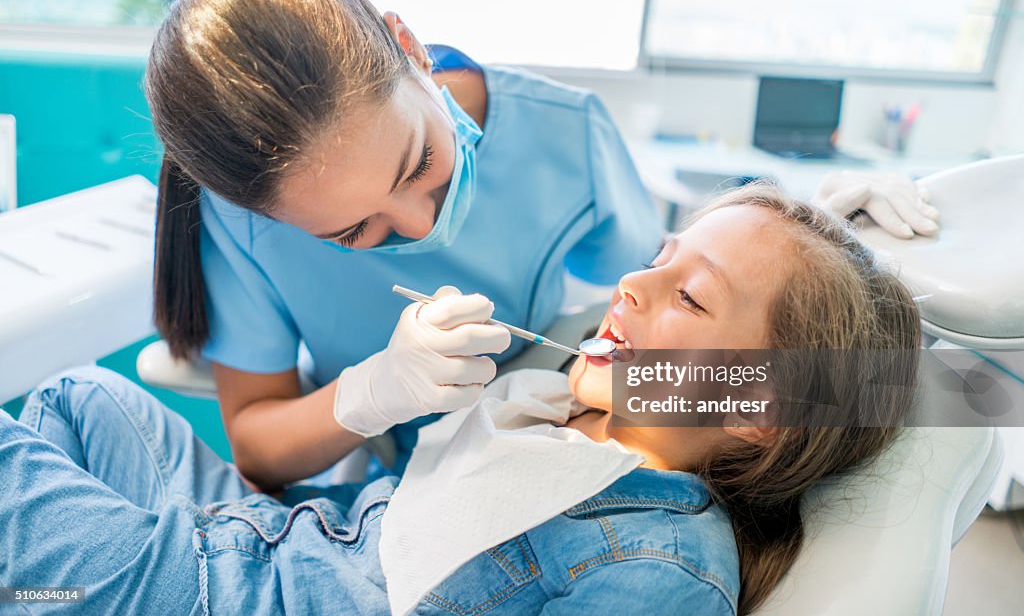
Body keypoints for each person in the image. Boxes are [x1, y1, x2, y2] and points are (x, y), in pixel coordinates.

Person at [146, 0, 935, 490]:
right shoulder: (235, 219)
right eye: (352, 232)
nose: (421, 225)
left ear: (408, 46)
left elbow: (706, 314)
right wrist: (366, 395)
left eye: (420, 165)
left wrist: (824, 247)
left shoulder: (564, 133)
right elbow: (256, 444)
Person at [1, 185, 919, 614]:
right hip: (264, 536)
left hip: (230, 595)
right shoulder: (550, 412)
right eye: (660, 255)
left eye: (689, 294)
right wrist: (808, 222)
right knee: (81, 398)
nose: (633, 284)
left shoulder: (665, 565)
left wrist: (837, 318)